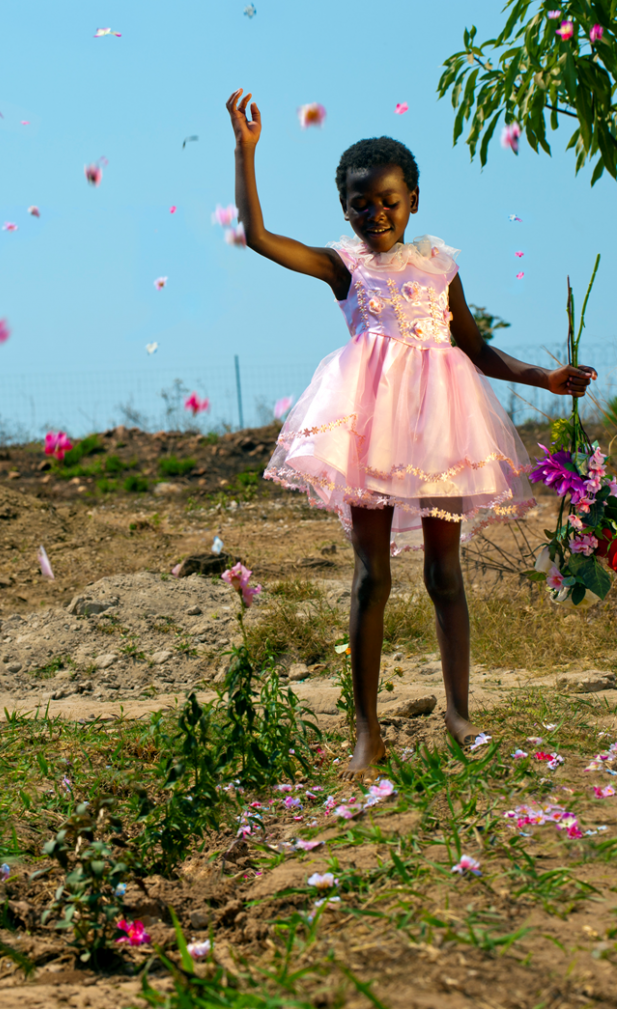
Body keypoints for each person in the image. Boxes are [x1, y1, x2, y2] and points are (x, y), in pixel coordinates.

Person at [225, 88, 597, 779]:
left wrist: (544, 378)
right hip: (368, 428)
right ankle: (366, 731)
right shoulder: (344, 266)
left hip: (445, 428)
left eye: (389, 200)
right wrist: (247, 155)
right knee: (372, 577)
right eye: (362, 203)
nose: (377, 214)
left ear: (414, 199)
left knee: (445, 575)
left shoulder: (440, 266)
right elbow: (258, 238)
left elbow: (478, 350)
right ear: (346, 209)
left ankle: (459, 715)